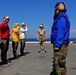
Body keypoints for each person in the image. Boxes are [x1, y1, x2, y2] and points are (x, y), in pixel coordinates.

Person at [50, 2, 70, 75]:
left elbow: (60, 33)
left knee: (58, 63)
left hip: (60, 44)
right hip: (61, 43)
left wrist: (58, 45)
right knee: (60, 62)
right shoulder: (62, 17)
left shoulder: (61, 18)